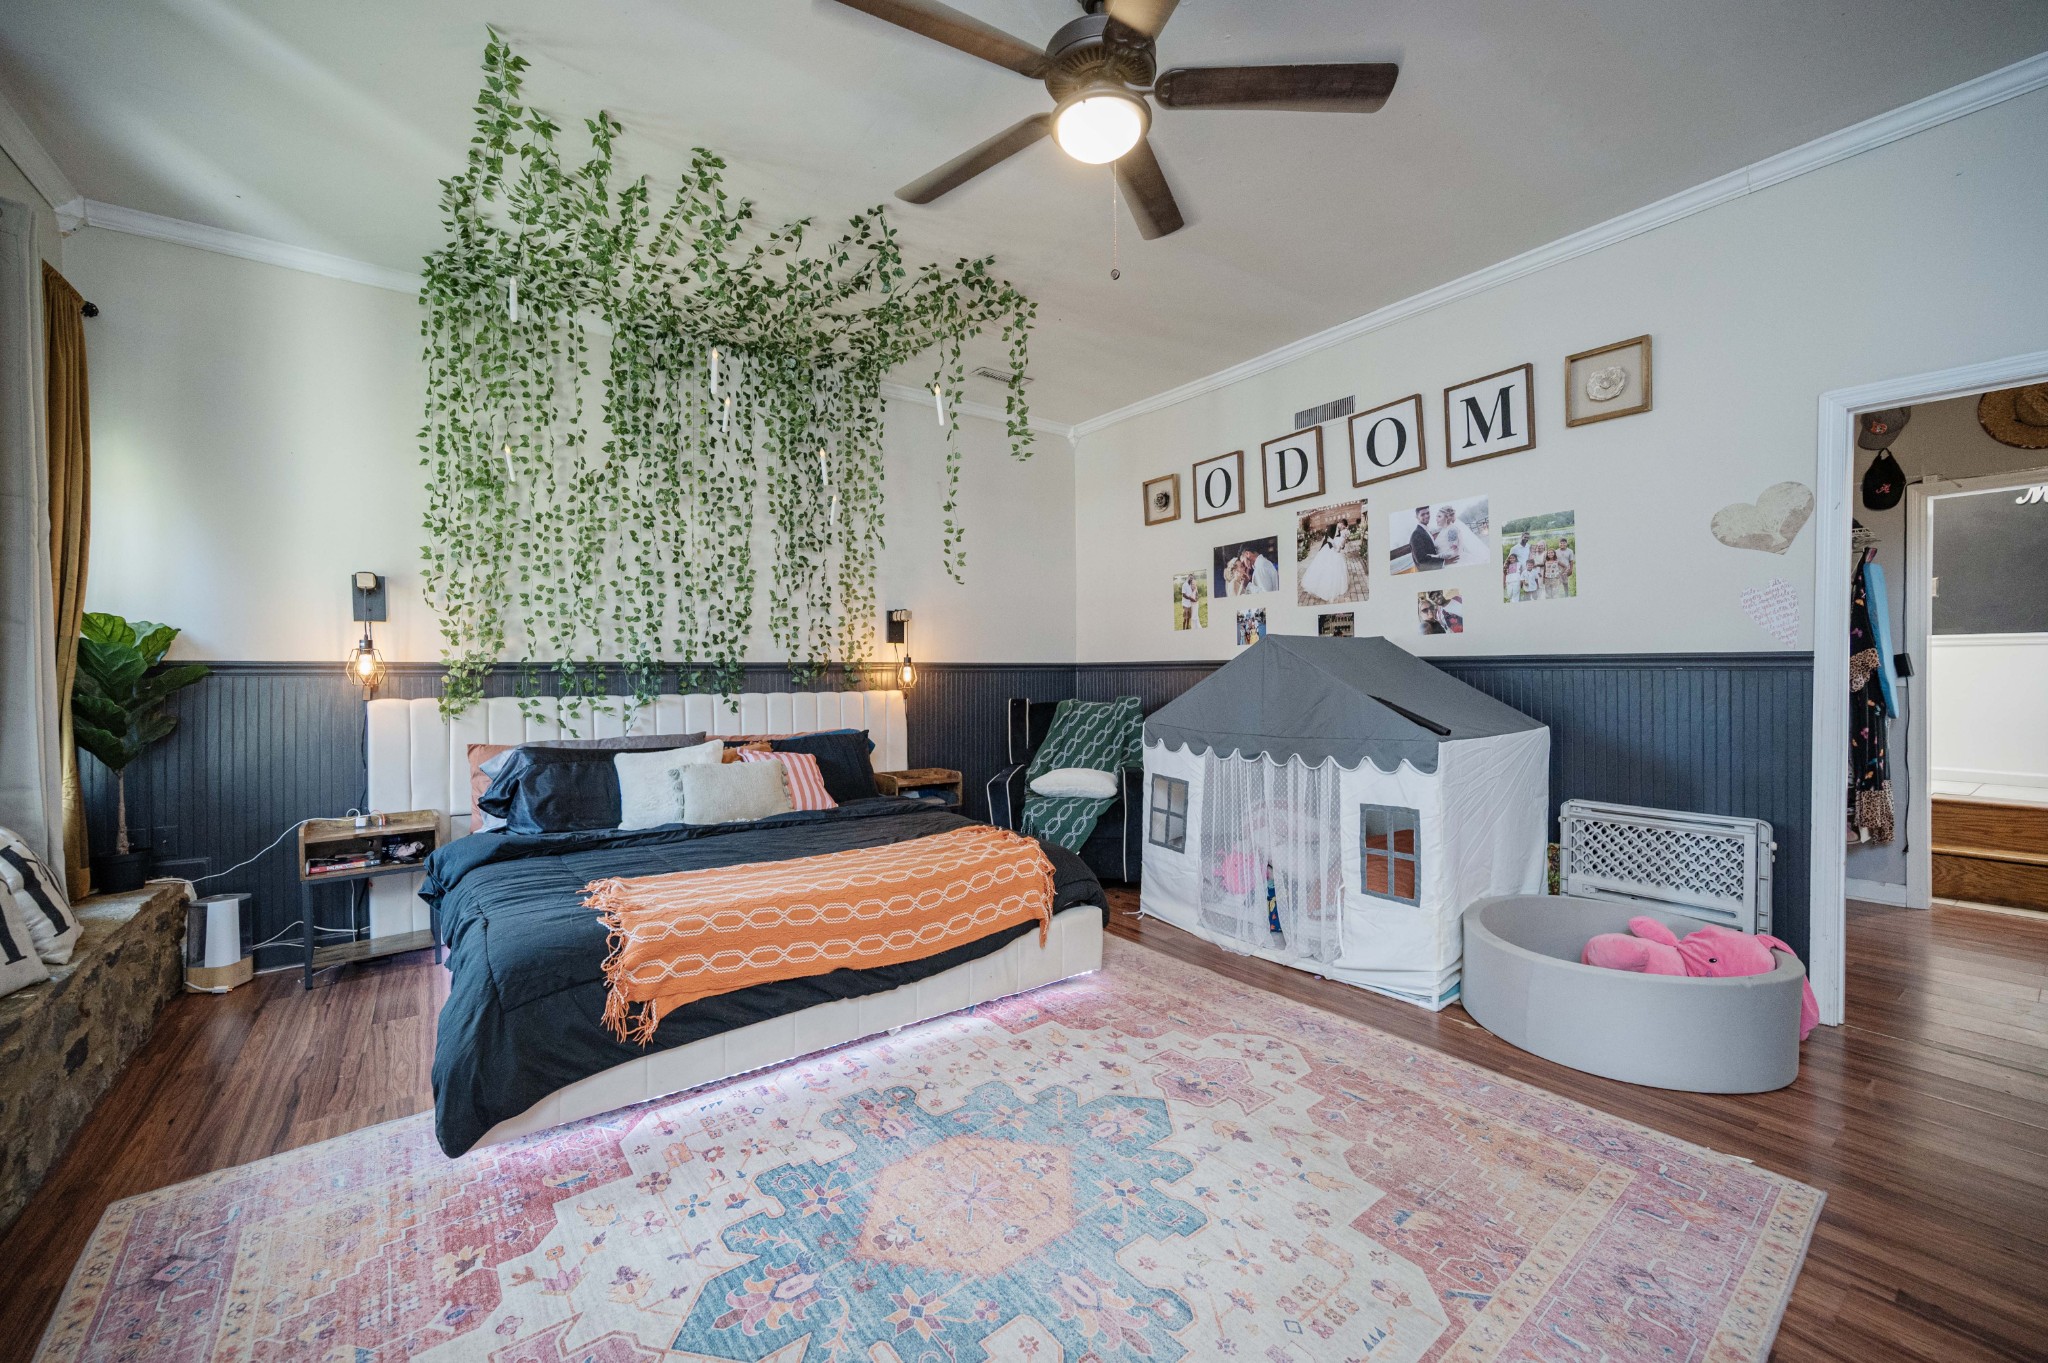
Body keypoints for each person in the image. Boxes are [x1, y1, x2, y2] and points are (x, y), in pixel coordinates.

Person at [1298, 521, 1350, 601]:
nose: (1341, 528)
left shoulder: (1340, 531)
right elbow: (1327, 540)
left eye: (1343, 528)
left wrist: (1340, 545)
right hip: (1327, 549)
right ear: (1341, 523)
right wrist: (1333, 546)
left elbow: (1339, 543)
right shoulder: (1331, 526)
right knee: (1322, 567)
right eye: (1342, 527)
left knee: (1332, 570)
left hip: (1334, 550)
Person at [1406, 507, 1443, 572]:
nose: (1426, 516)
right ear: (1417, 517)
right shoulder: (1416, 534)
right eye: (1422, 514)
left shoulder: (1425, 530)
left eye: (1428, 513)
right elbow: (1422, 561)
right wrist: (1444, 560)